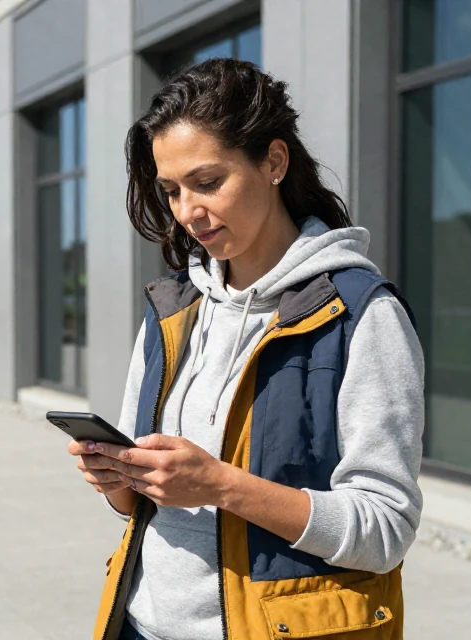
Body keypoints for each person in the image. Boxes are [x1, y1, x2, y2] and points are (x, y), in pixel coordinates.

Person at [68, 58, 424, 640]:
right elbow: (146, 510)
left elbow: (384, 529)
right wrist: (119, 480)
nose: (187, 212)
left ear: (274, 162)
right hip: (140, 626)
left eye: (207, 183)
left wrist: (220, 484)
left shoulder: (361, 314)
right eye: (172, 191)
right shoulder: (171, 309)